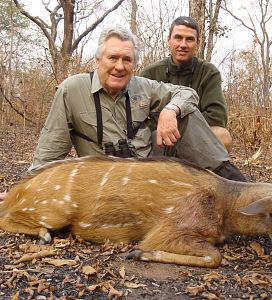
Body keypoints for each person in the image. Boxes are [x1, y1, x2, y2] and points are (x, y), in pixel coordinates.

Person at [1, 25, 246, 204]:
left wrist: (170, 111)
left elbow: (188, 93)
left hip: (149, 169)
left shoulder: (144, 85)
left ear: (134, 64)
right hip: (105, 179)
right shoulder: (71, 89)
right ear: (97, 61)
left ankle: (241, 191)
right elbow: (50, 150)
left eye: (127, 60)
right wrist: (23, 191)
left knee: (186, 113)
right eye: (113, 58)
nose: (120, 66)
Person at [140, 16, 232, 152]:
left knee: (222, 136)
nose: (183, 44)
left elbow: (217, 117)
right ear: (168, 40)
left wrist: (176, 124)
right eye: (178, 38)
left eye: (189, 39)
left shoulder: (209, 72)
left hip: (195, 137)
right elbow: (139, 117)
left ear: (198, 43)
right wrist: (163, 127)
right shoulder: (149, 73)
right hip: (159, 137)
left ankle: (202, 172)